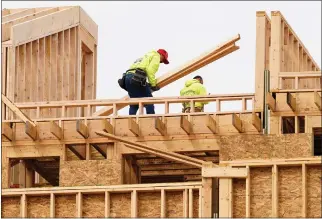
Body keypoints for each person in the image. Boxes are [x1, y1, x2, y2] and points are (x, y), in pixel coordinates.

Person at [120, 49, 169, 115]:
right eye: (163, 60)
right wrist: (153, 85)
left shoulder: (145, 57)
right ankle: (151, 120)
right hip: (137, 77)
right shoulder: (156, 56)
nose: (161, 62)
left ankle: (130, 120)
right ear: (161, 55)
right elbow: (150, 71)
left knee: (134, 102)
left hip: (127, 78)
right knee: (149, 100)